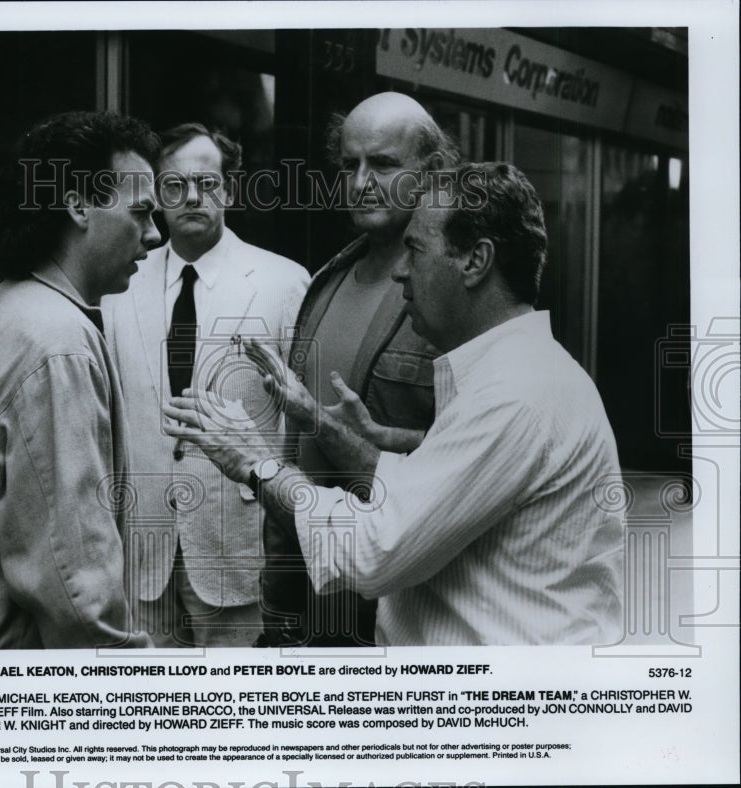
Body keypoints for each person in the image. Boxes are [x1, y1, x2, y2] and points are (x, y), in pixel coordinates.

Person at [165, 161, 624, 646]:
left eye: (415, 250)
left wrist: (255, 464)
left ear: (475, 261)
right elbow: (419, 499)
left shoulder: (515, 393)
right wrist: (320, 423)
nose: (401, 272)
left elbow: (372, 549)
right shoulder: (513, 374)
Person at [0, 111, 160, 649]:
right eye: (141, 213)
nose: (155, 236)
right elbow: (74, 580)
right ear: (79, 205)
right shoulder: (54, 343)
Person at [260, 92, 459, 647]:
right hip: (309, 601)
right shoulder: (326, 280)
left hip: (397, 608)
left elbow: (482, 450)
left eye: (384, 164)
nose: (361, 182)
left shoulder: (455, 296)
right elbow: (294, 447)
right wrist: (278, 594)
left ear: (433, 172)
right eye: (350, 165)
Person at [101, 123, 309, 647]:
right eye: (173, 186)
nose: (191, 197)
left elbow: (303, 422)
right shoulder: (120, 283)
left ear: (230, 190)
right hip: (142, 546)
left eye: (206, 182)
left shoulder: (283, 282)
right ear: (156, 196)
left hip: (238, 544)